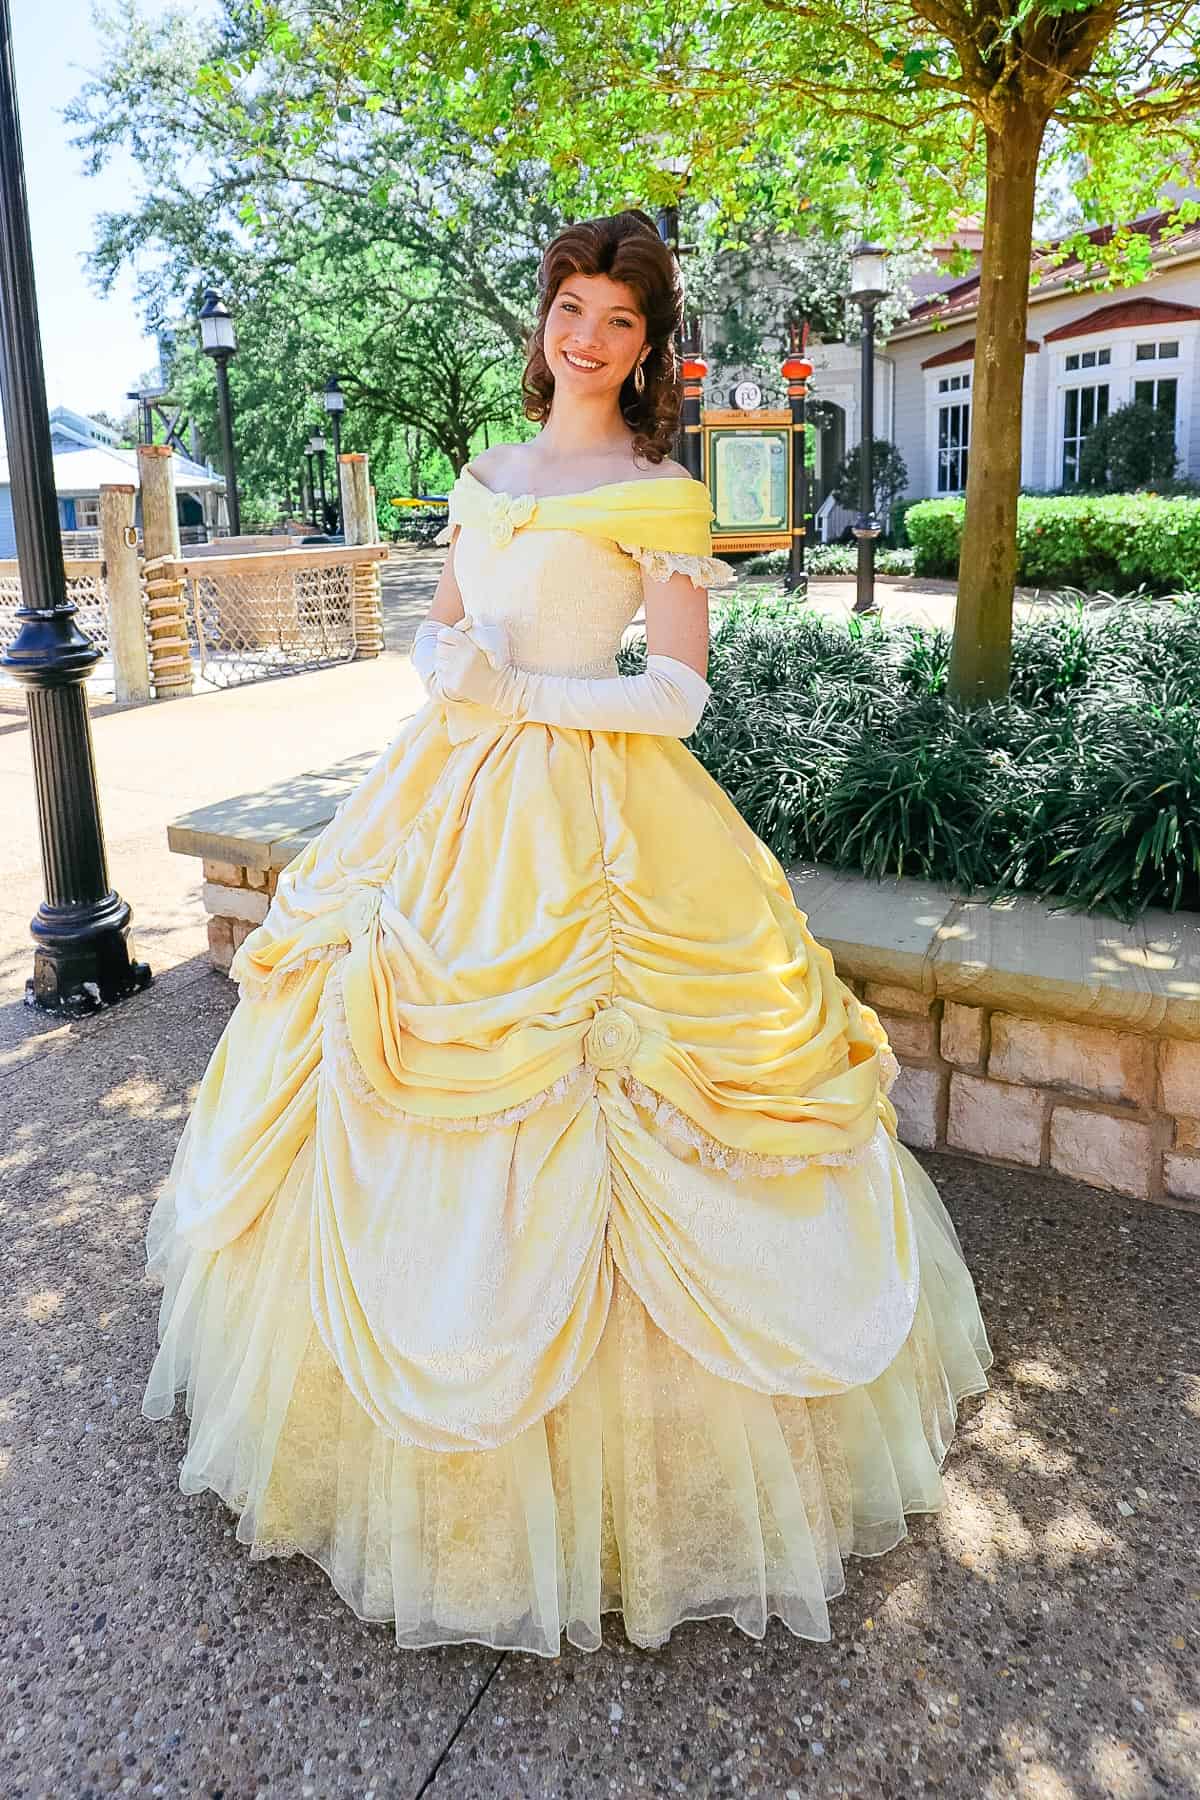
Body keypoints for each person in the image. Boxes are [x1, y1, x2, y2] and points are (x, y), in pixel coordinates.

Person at [141, 208, 992, 1658]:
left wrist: (519, 697)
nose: (585, 336)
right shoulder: (484, 471)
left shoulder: (661, 496)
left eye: (616, 318)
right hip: (453, 800)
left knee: (624, 1092)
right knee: (375, 1049)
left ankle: (657, 1485)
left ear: (649, 343)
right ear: (543, 320)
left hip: (603, 808)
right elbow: (442, 627)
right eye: (569, 308)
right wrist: (445, 659)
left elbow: (672, 696)